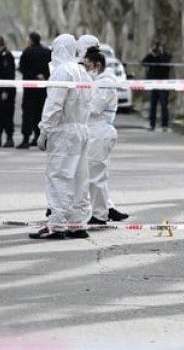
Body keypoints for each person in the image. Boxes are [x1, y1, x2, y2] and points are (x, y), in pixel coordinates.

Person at [30, 34, 92, 240]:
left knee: (59, 177)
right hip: (81, 129)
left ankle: (57, 225)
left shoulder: (61, 72)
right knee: (79, 179)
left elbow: (55, 105)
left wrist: (44, 130)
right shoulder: (82, 72)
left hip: (64, 131)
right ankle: (77, 224)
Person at [84, 48, 122, 225]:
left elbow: (94, 107)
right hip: (95, 131)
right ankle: (102, 210)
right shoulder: (98, 82)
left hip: (100, 131)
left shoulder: (105, 83)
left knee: (96, 176)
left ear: (97, 65)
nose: (85, 69)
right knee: (94, 174)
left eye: (87, 66)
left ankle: (99, 215)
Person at [17, 32, 52, 148]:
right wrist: (43, 76)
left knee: (28, 113)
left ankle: (26, 139)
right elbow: (51, 68)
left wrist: (33, 76)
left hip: (30, 87)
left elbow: (22, 68)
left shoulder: (27, 52)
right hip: (43, 87)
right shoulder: (47, 52)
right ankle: (39, 136)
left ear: (31, 40)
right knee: (40, 112)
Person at [0, 36, 17, 148]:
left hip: (5, 92)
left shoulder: (7, 56)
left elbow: (9, 74)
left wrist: (6, 90)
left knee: (7, 115)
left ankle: (9, 139)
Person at [141, 41, 173, 131]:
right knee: (153, 105)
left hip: (163, 84)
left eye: (159, 47)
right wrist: (150, 54)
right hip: (153, 84)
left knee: (164, 105)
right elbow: (143, 63)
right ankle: (152, 124)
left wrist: (160, 55)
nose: (157, 50)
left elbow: (168, 64)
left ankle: (165, 125)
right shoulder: (151, 57)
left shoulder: (166, 56)